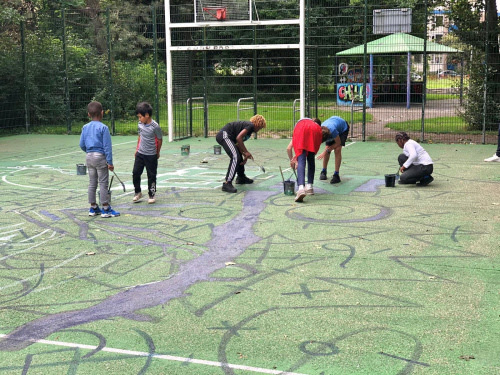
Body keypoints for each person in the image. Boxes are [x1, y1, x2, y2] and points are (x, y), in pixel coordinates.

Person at [79, 101, 120, 218]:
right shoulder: (104, 128)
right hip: (100, 157)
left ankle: (93, 207)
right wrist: (110, 162)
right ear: (102, 113)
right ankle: (106, 208)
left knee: (92, 183)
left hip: (89, 156)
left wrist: (89, 151)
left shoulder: (85, 127)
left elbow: (81, 144)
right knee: (103, 183)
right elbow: (107, 147)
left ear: (88, 114)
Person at [216, 115, 266, 193]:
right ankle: (227, 183)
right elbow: (239, 138)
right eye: (260, 127)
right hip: (224, 136)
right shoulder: (250, 125)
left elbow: (238, 143)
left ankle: (241, 177)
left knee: (238, 156)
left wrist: (244, 154)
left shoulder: (249, 129)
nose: (259, 129)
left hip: (230, 139)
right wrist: (246, 152)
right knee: (235, 157)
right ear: (257, 124)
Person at [287, 118, 331, 202]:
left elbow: (289, 148)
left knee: (301, 159)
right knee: (311, 159)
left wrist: (294, 160)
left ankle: (301, 188)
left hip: (302, 128)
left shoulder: (299, 128)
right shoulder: (315, 126)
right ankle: (310, 186)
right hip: (316, 130)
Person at [132, 102, 163, 204]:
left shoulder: (155, 126)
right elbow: (140, 137)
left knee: (151, 175)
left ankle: (151, 194)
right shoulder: (140, 124)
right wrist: (137, 149)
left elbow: (159, 140)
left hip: (151, 155)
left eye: (140, 117)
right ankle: (138, 192)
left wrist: (157, 152)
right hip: (140, 153)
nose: (139, 119)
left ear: (147, 115)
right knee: (136, 173)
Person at [317, 116, 350, 184]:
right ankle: (324, 171)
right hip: (332, 122)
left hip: (343, 128)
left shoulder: (333, 131)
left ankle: (336, 175)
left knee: (337, 149)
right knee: (328, 147)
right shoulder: (320, 130)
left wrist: (325, 151)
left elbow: (338, 143)